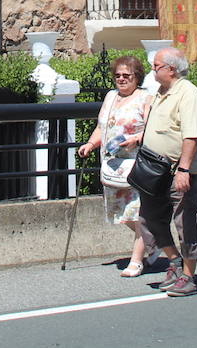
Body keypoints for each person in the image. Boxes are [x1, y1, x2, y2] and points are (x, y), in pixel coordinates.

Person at [138, 46, 197, 297]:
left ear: (171, 69)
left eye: (156, 66)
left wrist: (184, 170)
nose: (153, 70)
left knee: (185, 222)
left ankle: (189, 276)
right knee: (149, 218)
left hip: (180, 169)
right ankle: (174, 261)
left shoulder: (188, 94)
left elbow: (191, 136)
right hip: (156, 169)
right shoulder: (161, 92)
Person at [76, 54, 155, 276]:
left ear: (136, 77)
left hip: (136, 165)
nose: (121, 79)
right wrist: (91, 144)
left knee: (138, 212)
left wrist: (136, 139)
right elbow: (102, 127)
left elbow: (152, 128)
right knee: (120, 213)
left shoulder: (145, 98)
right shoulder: (111, 97)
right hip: (112, 165)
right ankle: (153, 240)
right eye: (118, 75)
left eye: (127, 75)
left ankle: (136, 261)